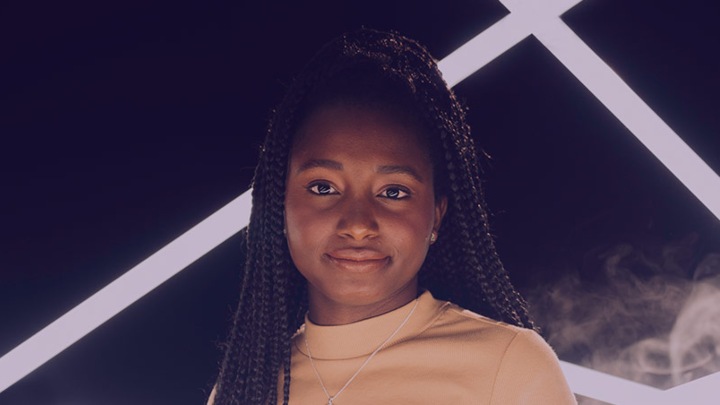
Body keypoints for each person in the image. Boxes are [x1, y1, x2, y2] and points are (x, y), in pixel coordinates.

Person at [208, 28, 576, 405]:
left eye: (393, 192)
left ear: (435, 217)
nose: (357, 224)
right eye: (323, 187)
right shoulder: (243, 388)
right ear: (279, 206)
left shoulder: (509, 366)